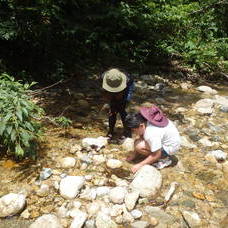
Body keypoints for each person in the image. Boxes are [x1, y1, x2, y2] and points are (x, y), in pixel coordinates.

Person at [125, 105, 181, 173]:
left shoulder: (151, 133)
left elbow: (156, 154)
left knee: (138, 146)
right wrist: (134, 155)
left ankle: (165, 159)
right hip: (171, 141)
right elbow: (142, 136)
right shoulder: (147, 120)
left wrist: (139, 165)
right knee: (138, 142)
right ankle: (156, 154)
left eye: (134, 130)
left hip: (170, 148)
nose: (133, 132)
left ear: (141, 126)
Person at [101, 68, 134, 139]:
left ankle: (127, 132)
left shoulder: (128, 80)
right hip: (111, 87)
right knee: (112, 110)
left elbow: (122, 95)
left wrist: (122, 99)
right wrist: (109, 103)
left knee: (124, 110)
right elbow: (105, 93)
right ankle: (110, 131)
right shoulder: (104, 77)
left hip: (126, 87)